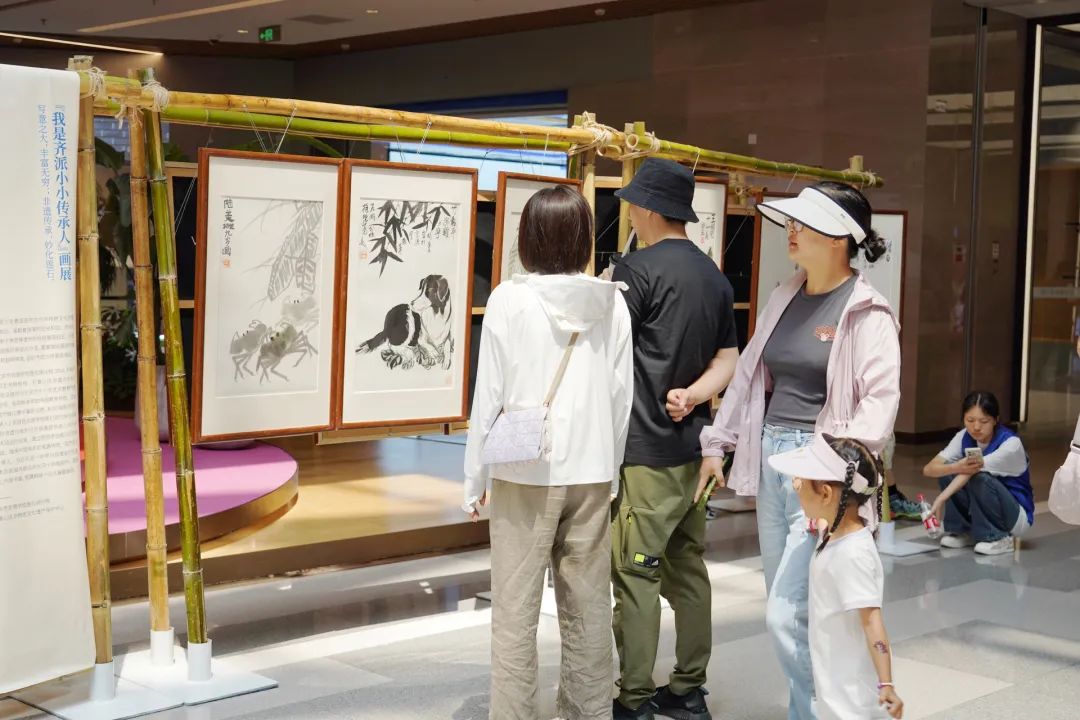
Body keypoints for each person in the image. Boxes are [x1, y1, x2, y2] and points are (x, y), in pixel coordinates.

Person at [698, 182, 901, 720]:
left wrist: (833, 475)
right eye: (791, 221)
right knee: (791, 607)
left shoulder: (868, 312)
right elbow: (748, 376)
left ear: (838, 238)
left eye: (804, 223)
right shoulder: (784, 295)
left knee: (786, 614)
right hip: (773, 462)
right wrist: (718, 442)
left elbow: (879, 406)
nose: (791, 230)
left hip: (822, 473)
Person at [462, 185, 634, 720]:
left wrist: (475, 478)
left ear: (529, 238)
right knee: (589, 609)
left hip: (522, 472)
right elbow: (621, 397)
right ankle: (588, 712)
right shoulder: (612, 302)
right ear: (583, 238)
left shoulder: (508, 300)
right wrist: (611, 470)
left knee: (515, 612)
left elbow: (488, 396)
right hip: (591, 471)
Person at [609, 158, 740, 720]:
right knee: (687, 567)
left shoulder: (635, 272)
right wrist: (692, 395)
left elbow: (609, 358)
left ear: (648, 209)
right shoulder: (714, 276)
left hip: (646, 452)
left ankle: (634, 698)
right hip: (693, 450)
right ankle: (688, 689)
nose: (631, 215)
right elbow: (729, 359)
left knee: (635, 571)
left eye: (634, 206)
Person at [769, 435, 904, 719]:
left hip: (851, 694)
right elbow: (825, 518)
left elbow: (872, 621)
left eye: (802, 480)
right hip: (833, 679)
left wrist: (886, 684)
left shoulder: (853, 555)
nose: (795, 484)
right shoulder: (833, 530)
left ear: (827, 494)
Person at [923, 391, 1033, 556]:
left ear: (995, 420)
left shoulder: (1011, 444)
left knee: (979, 478)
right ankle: (964, 531)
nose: (976, 427)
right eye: (970, 420)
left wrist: (940, 499)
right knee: (948, 471)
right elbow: (929, 469)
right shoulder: (963, 436)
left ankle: (999, 537)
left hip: (1015, 514)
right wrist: (955, 467)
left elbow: (972, 471)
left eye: (984, 421)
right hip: (985, 501)